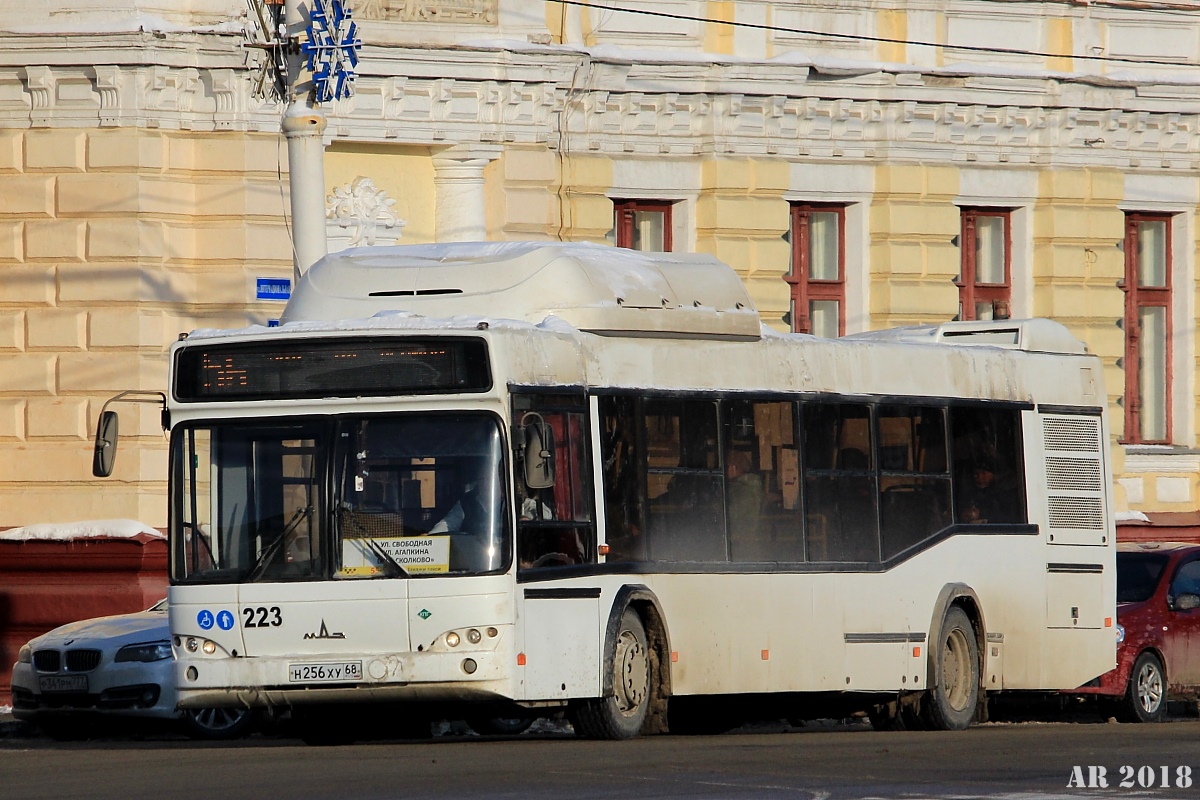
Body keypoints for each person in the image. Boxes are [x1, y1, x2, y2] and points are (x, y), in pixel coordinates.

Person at [958, 458, 1016, 524]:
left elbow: (1008, 516)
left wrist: (981, 513)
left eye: (983, 473)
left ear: (993, 475)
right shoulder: (968, 494)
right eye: (976, 473)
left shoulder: (1003, 494)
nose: (979, 476)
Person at [725, 450, 764, 540]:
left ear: (734, 468)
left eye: (727, 466)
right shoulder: (745, 486)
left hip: (741, 541)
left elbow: (732, 515)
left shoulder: (744, 490)